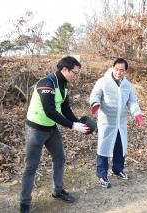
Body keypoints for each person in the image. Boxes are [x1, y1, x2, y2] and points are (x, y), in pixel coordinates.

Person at [20, 56, 90, 213]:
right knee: (31, 167)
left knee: (59, 158)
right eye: (75, 72)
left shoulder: (64, 85)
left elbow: (65, 109)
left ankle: (58, 191)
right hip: (36, 130)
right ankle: (24, 203)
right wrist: (72, 126)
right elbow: (50, 111)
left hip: (51, 129)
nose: (76, 75)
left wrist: (78, 122)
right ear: (64, 69)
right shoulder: (47, 83)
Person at [90, 58, 143, 188]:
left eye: (122, 70)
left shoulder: (127, 85)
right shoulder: (103, 82)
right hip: (107, 122)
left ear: (126, 71)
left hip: (121, 123)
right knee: (103, 147)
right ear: (113, 68)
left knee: (120, 147)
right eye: (117, 69)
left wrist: (136, 113)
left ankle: (118, 169)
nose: (119, 72)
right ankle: (102, 175)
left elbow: (132, 101)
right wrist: (95, 104)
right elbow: (95, 95)